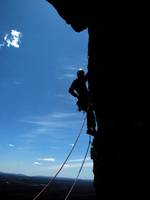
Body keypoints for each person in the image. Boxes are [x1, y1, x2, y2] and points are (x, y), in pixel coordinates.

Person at [69, 68, 96, 136]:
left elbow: (70, 90)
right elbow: (70, 90)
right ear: (80, 75)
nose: (82, 75)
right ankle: (91, 128)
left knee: (90, 112)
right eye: (82, 74)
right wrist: (77, 96)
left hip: (84, 100)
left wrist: (77, 96)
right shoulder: (79, 81)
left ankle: (91, 128)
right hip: (83, 100)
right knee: (90, 112)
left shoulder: (78, 81)